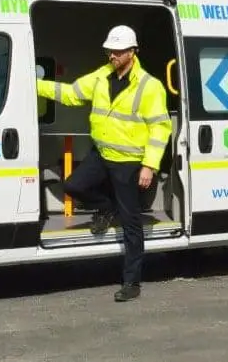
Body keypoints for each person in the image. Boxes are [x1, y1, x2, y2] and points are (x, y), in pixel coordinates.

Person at [36, 25, 172, 302]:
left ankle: (131, 282)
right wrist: (33, 84)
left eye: (118, 51)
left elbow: (160, 129)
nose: (112, 55)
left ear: (133, 52)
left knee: (131, 225)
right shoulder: (101, 76)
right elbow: (71, 93)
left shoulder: (150, 86)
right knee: (73, 185)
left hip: (130, 162)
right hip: (102, 154)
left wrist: (149, 165)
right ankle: (107, 208)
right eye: (110, 50)